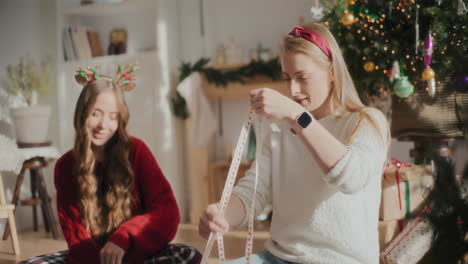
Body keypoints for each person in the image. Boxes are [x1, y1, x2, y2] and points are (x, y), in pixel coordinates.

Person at [199, 23, 391, 264]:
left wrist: (297, 116)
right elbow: (252, 192)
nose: (293, 90)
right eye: (287, 78)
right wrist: (220, 214)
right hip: (278, 258)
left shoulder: (367, 122)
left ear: (332, 72)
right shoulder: (279, 131)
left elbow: (350, 177)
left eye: (302, 78)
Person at [19, 65, 201, 264]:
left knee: (190, 256)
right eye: (96, 114)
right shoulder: (65, 166)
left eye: (113, 116)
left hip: (140, 253)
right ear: (82, 114)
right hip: (94, 260)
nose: (104, 125)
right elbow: (77, 238)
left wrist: (123, 238)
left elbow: (167, 212)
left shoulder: (137, 150)